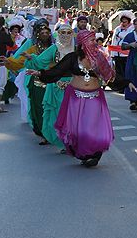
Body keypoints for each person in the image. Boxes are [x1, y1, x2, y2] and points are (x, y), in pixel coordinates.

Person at [27, 30, 115, 167]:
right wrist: (40, 73)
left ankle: (94, 155)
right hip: (76, 97)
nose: (95, 42)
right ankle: (83, 154)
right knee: (78, 127)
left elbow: (109, 75)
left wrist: (127, 83)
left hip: (95, 97)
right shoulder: (72, 58)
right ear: (83, 43)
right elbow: (58, 70)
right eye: (91, 40)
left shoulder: (99, 57)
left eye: (94, 40)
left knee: (93, 126)